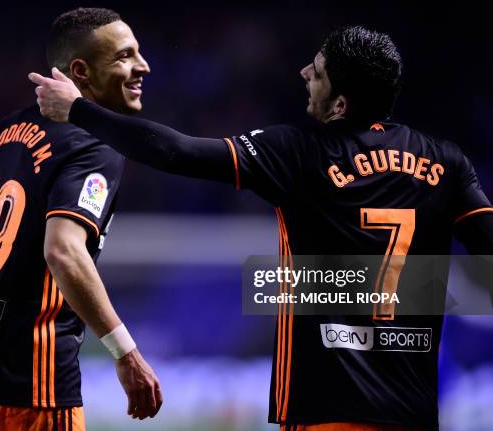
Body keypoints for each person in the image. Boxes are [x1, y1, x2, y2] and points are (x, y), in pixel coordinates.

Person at [30, 25, 493, 430]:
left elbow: (178, 152)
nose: (304, 75)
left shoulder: (299, 151)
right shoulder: (447, 162)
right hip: (414, 413)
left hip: (324, 412)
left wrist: (78, 110)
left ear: (340, 104)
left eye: (318, 71)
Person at [0, 7, 161, 431]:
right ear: (82, 71)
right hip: (33, 389)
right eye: (124, 56)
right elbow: (63, 251)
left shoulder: (6, 130)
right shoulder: (95, 146)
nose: (142, 66)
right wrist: (126, 354)